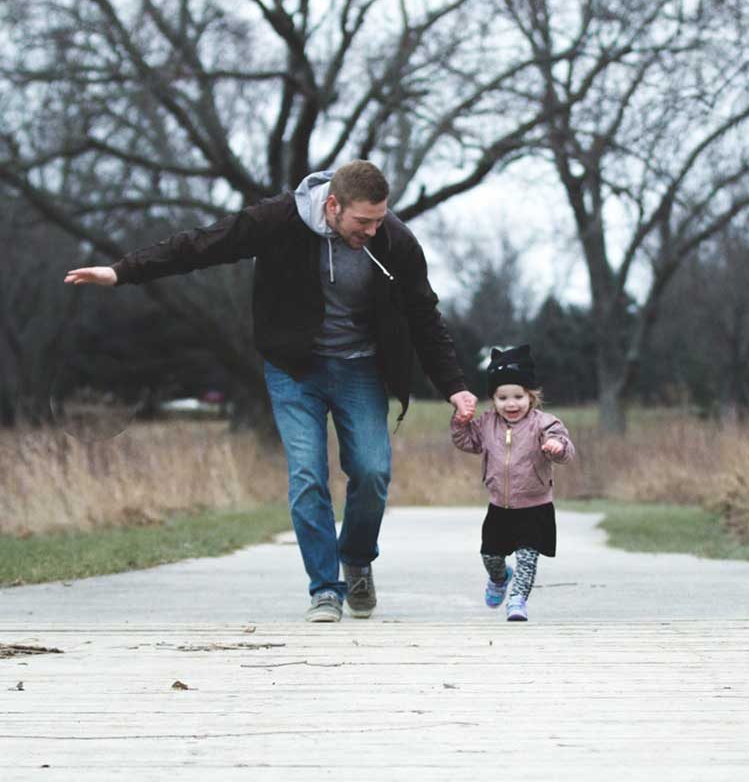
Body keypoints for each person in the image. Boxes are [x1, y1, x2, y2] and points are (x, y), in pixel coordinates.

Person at [65, 160, 477, 623]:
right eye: (363, 221)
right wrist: (122, 272)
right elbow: (203, 244)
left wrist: (455, 388)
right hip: (294, 368)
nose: (372, 230)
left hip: (359, 368)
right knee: (308, 476)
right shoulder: (278, 219)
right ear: (333, 205)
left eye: (379, 219)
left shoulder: (394, 240)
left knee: (372, 471)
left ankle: (357, 560)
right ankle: (325, 588)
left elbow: (424, 315)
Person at [450, 344, 574, 622]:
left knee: (527, 560)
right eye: (502, 397)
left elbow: (566, 449)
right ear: (493, 399)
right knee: (491, 557)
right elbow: (466, 442)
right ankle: (499, 577)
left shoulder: (544, 424)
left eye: (518, 396)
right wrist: (460, 422)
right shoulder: (486, 424)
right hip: (499, 507)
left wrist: (557, 446)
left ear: (531, 396)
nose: (511, 404)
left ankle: (517, 601)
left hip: (535, 507)